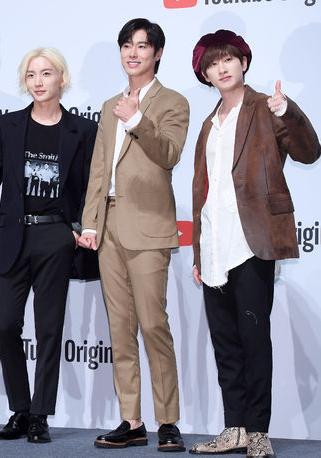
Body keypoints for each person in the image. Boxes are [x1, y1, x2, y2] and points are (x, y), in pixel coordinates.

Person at [189, 30, 320, 457]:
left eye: (228, 59)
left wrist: (288, 111)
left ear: (243, 62)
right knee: (225, 343)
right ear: (205, 74)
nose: (222, 68)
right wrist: (198, 253)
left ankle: (259, 431)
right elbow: (202, 192)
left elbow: (309, 152)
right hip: (214, 246)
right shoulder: (208, 125)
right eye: (212, 63)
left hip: (252, 242)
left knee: (254, 339)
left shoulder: (266, 107)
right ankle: (235, 428)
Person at [0, 47, 98, 443]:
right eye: (31, 75)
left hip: (56, 237)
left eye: (46, 73)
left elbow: (90, 187)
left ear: (62, 78)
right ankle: (21, 409)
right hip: (14, 235)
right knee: (5, 324)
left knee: (49, 328)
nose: (38, 81)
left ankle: (40, 414)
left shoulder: (83, 131)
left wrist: (78, 228)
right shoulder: (8, 125)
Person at [78, 18, 189, 452]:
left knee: (154, 325)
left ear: (157, 53)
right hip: (108, 229)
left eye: (142, 46)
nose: (133, 53)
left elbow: (169, 154)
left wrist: (138, 118)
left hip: (148, 228)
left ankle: (168, 422)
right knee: (120, 330)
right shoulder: (110, 105)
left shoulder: (173, 102)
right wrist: (90, 222)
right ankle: (132, 420)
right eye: (127, 45)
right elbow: (99, 168)